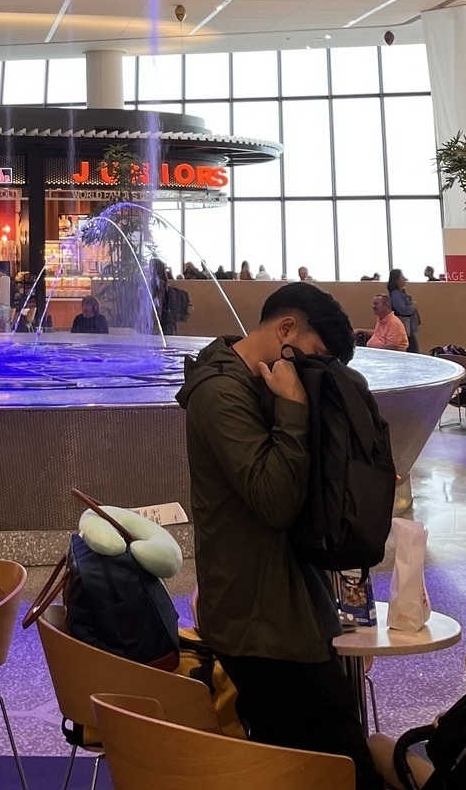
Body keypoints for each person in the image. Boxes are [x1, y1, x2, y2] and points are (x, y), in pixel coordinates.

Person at [178, 282, 378, 789]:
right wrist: (292, 408)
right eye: (312, 357)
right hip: (262, 621)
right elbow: (272, 499)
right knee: (339, 766)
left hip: (282, 606)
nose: (312, 374)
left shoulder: (250, 381)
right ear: (286, 329)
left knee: (299, 760)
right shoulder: (221, 391)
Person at [387, 268, 420, 352]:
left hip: (408, 328)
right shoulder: (395, 294)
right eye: (402, 277)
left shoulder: (401, 293)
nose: (405, 279)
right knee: (412, 350)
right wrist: (413, 307)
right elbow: (402, 310)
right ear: (397, 280)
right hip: (405, 328)